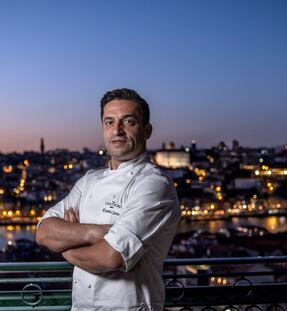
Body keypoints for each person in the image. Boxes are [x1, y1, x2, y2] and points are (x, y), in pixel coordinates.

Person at [36, 88, 180, 311]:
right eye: (109, 122)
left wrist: (66, 248)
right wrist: (94, 233)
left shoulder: (154, 184)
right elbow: (43, 231)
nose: (117, 130)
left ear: (147, 130)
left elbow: (110, 256)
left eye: (128, 122)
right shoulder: (89, 180)